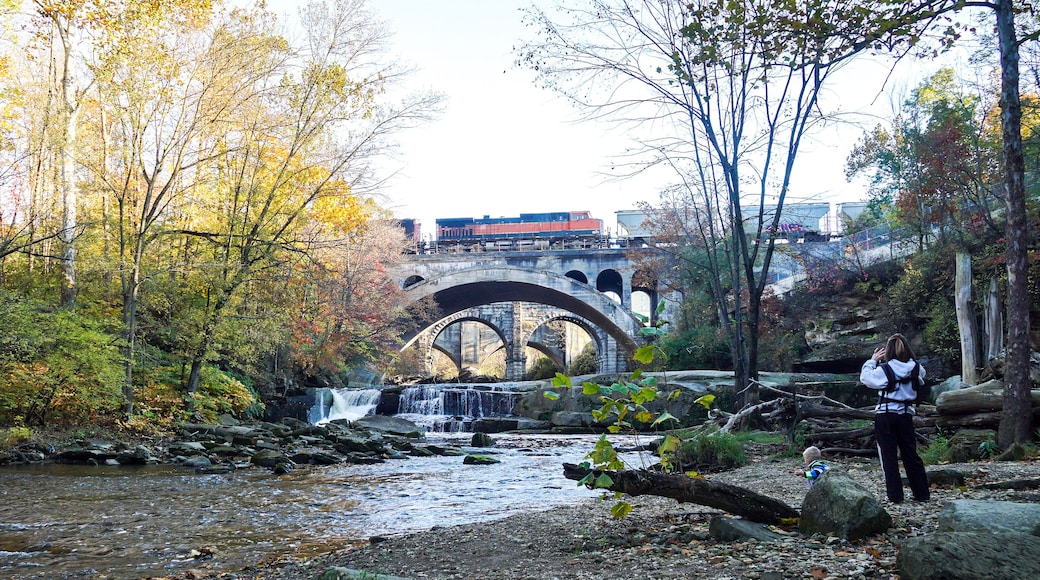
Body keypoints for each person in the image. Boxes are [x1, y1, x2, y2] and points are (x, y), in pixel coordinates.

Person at [860, 333, 930, 503]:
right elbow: (922, 376)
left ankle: (895, 496)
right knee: (911, 454)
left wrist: (873, 360)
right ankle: (922, 494)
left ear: (888, 351)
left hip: (886, 416)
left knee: (888, 456)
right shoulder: (917, 368)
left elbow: (865, 378)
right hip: (906, 415)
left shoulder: (883, 370)